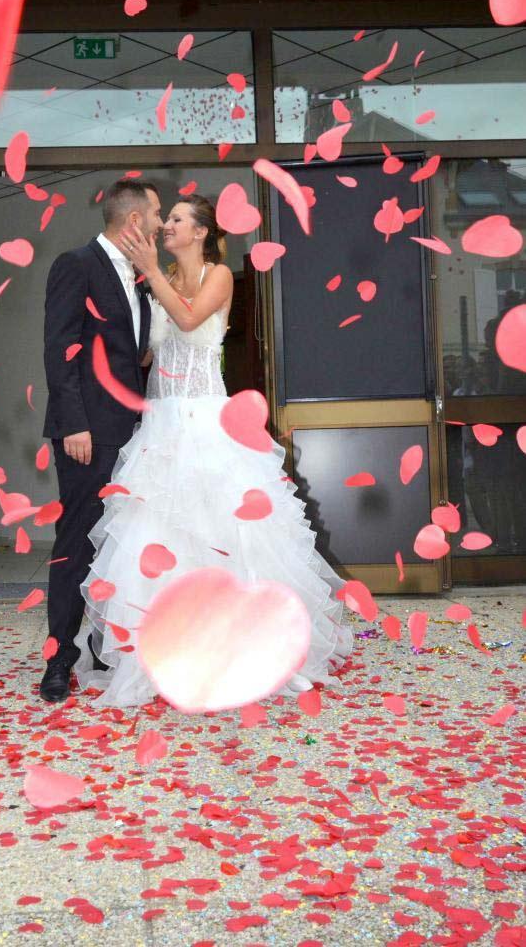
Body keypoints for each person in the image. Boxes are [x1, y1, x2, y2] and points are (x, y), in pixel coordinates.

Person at [72, 193, 353, 708]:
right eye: (167, 218)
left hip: (207, 421)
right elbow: (147, 352)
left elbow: (188, 319)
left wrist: (149, 273)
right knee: (160, 535)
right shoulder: (159, 279)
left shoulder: (218, 276)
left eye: (177, 219)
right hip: (161, 423)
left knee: (227, 533)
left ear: (200, 231)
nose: (167, 225)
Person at [39, 179, 163, 703]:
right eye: (156, 213)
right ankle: (58, 660)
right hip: (87, 433)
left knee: (118, 545)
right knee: (77, 542)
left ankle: (105, 647)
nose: (160, 222)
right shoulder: (77, 265)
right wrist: (74, 424)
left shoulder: (141, 277)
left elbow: (129, 355)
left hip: (131, 433)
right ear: (134, 220)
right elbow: (60, 348)